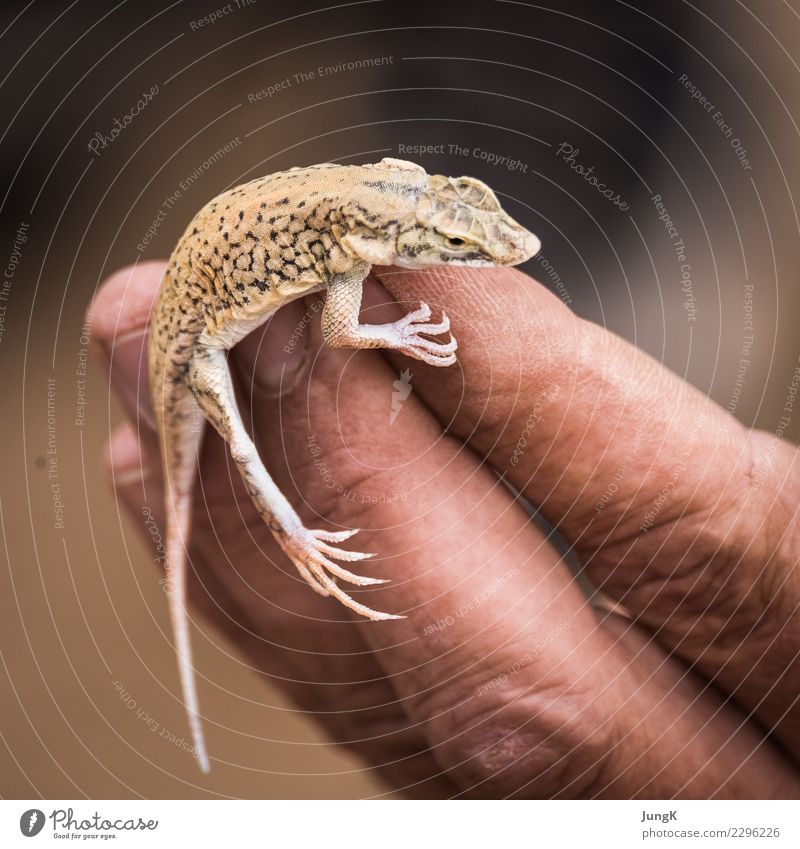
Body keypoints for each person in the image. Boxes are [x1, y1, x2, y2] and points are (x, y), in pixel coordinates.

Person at [89, 259, 800, 797]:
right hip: (199, 343)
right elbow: (339, 326)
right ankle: (295, 533)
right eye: (452, 243)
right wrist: (391, 329)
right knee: (240, 443)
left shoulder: (354, 236)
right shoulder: (343, 247)